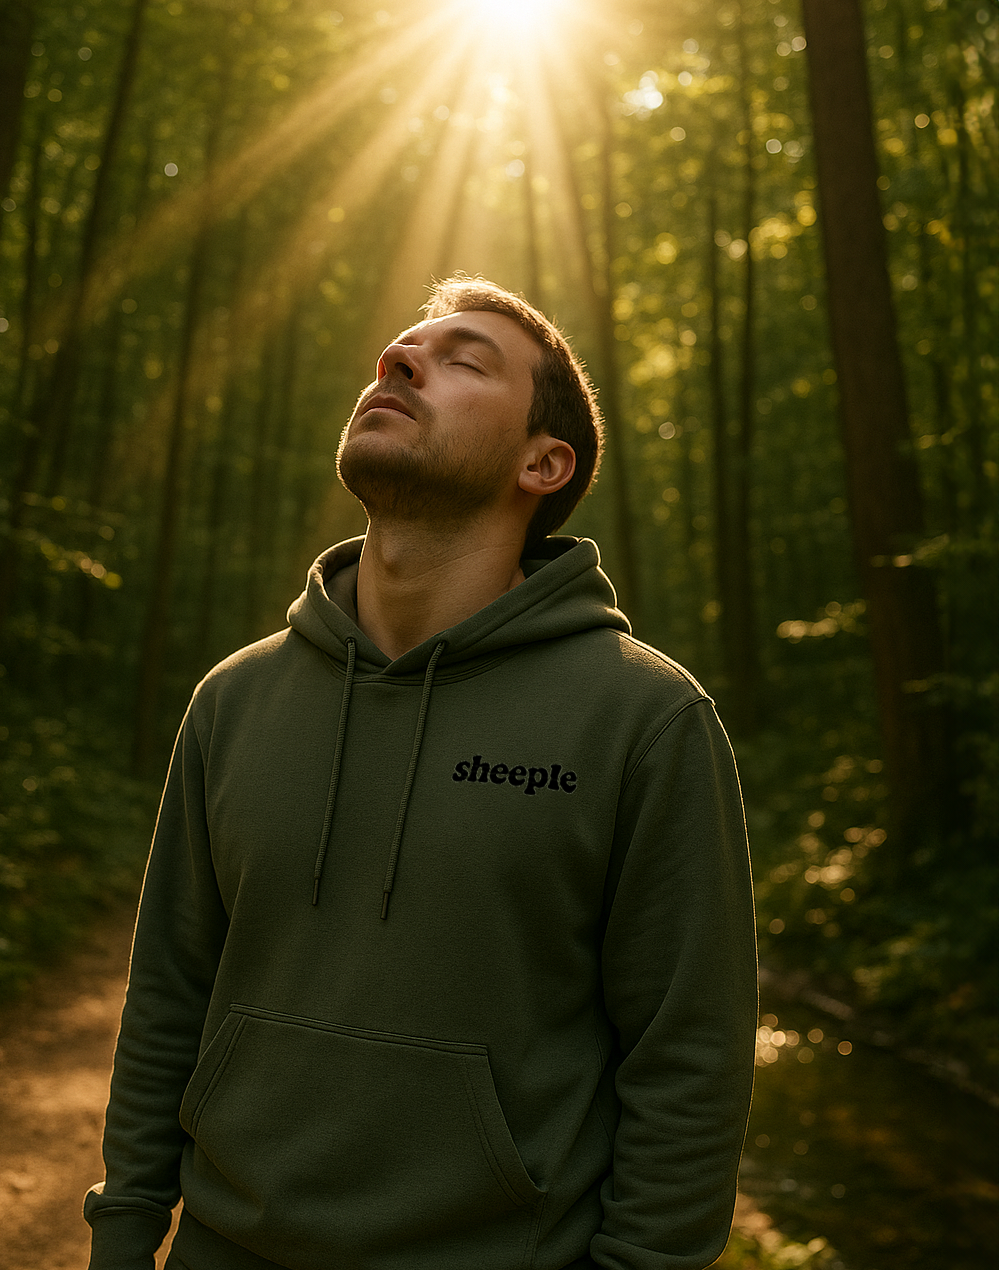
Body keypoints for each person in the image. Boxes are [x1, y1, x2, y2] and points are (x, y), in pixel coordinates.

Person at [84, 277, 756, 1270]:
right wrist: (125, 1231)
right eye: (400, 350)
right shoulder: (234, 699)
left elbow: (689, 1061)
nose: (397, 361)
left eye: (463, 359)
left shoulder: (645, 720)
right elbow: (166, 996)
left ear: (542, 462)